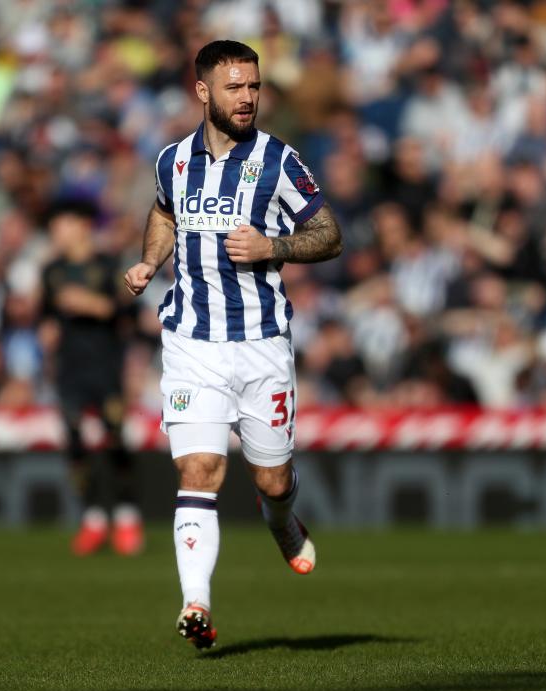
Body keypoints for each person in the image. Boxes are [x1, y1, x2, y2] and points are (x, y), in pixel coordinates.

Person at [123, 40, 342, 649]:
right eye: (234, 87)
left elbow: (329, 234)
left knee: (271, 480)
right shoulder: (172, 160)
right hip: (191, 341)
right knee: (199, 469)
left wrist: (274, 247)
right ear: (203, 92)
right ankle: (196, 603)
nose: (247, 98)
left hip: (261, 343)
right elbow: (164, 213)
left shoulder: (277, 160)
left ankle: (282, 520)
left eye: (254, 86)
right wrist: (150, 262)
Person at [41, 199, 144, 556]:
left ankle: (127, 516)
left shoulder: (109, 265)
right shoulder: (51, 271)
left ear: (83, 225)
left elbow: (129, 313)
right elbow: (47, 315)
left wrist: (91, 304)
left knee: (113, 439)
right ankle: (94, 517)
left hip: (105, 365)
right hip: (69, 367)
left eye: (62, 223)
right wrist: (47, 331)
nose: (55, 231)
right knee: (74, 442)